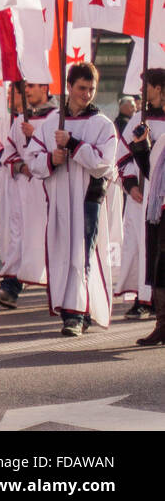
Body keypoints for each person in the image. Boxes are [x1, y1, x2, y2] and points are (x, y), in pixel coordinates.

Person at [21, 61, 117, 336]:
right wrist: (52, 158)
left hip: (88, 198)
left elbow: (104, 164)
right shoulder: (51, 122)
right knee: (61, 252)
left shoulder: (102, 124)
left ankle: (75, 314)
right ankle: (74, 309)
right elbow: (32, 159)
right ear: (69, 87)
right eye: (82, 88)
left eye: (91, 89)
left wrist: (74, 145)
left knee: (81, 254)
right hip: (59, 198)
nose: (87, 94)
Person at [0, 81, 54, 307]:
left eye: (34, 86)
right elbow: (8, 152)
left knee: (50, 239)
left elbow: (62, 150)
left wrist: (36, 135)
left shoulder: (58, 117)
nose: (27, 90)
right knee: (20, 238)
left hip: (50, 191)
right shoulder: (19, 119)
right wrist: (21, 166)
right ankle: (9, 288)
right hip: (24, 190)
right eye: (26, 86)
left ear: (46, 88)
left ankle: (60, 295)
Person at [115, 69, 164, 321]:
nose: (142, 90)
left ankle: (158, 300)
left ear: (158, 88)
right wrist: (131, 184)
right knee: (138, 245)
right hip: (139, 197)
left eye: (146, 86)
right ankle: (141, 298)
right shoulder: (137, 118)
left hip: (161, 196)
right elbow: (121, 156)